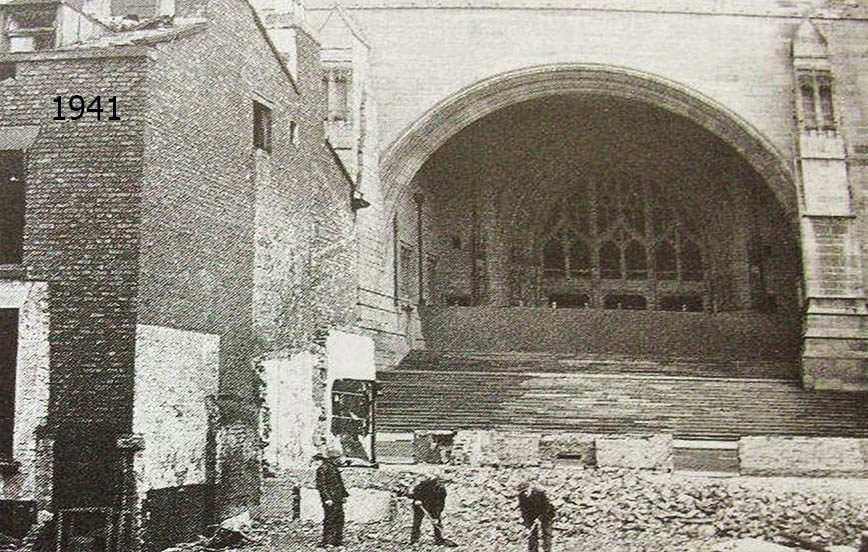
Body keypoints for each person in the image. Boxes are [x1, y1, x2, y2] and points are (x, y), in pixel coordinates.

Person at [314, 447, 348, 548]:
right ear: (332, 458)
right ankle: (327, 540)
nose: (340, 459)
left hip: (337, 498)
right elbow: (322, 486)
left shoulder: (334, 468)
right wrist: (327, 498)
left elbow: (339, 484)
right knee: (330, 519)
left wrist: (343, 495)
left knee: (339, 518)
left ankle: (337, 540)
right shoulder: (322, 469)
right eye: (338, 457)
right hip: (330, 499)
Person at [409, 477, 457, 546]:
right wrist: (417, 499)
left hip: (432, 506)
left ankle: (438, 539)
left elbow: (440, 504)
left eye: (443, 483)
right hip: (420, 505)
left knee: (437, 522)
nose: (442, 485)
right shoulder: (426, 484)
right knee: (417, 522)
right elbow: (415, 491)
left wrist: (436, 517)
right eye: (440, 483)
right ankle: (414, 540)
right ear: (437, 481)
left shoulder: (442, 491)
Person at [516, 481, 556, 552]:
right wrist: (527, 523)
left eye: (525, 491)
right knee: (532, 533)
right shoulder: (521, 496)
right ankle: (533, 549)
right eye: (522, 492)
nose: (524, 493)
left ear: (529, 489)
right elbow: (523, 510)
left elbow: (546, 507)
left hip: (546, 513)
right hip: (532, 515)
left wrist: (540, 517)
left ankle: (547, 549)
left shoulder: (539, 492)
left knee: (546, 531)